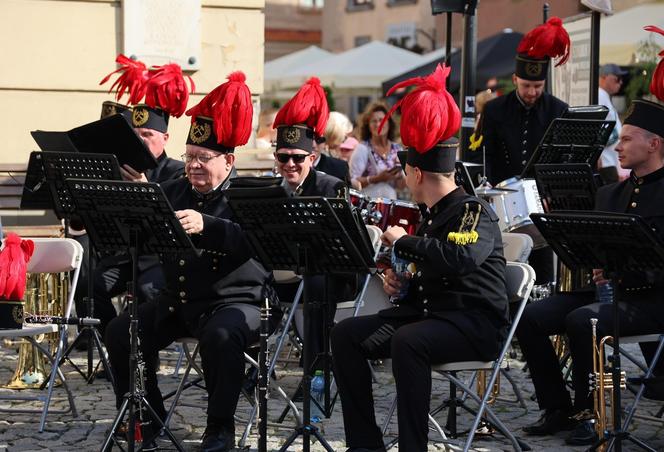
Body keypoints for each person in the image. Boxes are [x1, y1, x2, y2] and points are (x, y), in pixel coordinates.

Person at [331, 64, 509, 452]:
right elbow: (433, 274)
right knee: (345, 334)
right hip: (429, 319)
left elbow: (458, 259)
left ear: (413, 172)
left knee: (410, 342)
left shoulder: (471, 211)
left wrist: (405, 243)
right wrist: (403, 282)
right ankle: (365, 444)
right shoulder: (431, 217)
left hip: (472, 325)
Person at [105, 71, 279, 452]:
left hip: (238, 302)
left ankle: (220, 429)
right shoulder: (172, 189)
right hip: (181, 300)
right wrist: (137, 204)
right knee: (121, 331)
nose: (194, 166)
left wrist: (209, 225)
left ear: (229, 160)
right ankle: (145, 417)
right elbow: (143, 227)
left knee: (221, 335)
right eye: (190, 157)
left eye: (204, 158)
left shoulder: (252, 193)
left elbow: (259, 243)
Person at [516, 98, 664, 446]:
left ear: (654, 144)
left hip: (654, 300)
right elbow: (588, 250)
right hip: (611, 294)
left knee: (583, 320)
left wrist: (623, 273)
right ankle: (558, 408)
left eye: (627, 139)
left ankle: (591, 413)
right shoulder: (611, 194)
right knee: (530, 317)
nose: (618, 146)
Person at [91, 58, 190, 338]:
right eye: (136, 135)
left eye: (148, 134)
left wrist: (145, 190)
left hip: (161, 259)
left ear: (165, 138)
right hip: (128, 255)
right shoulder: (122, 166)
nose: (141, 140)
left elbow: (173, 220)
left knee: (149, 290)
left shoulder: (177, 172)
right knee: (94, 285)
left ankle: (146, 354)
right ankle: (114, 344)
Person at [271, 77, 357, 373]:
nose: (290, 164)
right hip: (288, 269)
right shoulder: (273, 189)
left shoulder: (330, 186)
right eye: (283, 157)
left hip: (331, 274)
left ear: (312, 156)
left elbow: (346, 245)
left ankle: (316, 370)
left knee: (316, 283)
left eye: (297, 158)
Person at [480, 17, 570, 285]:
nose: (532, 92)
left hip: (542, 203)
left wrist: (553, 193)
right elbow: (485, 153)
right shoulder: (495, 109)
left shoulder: (558, 110)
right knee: (504, 267)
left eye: (538, 87)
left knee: (542, 272)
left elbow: (563, 160)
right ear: (515, 79)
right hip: (504, 201)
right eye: (526, 86)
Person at [349, 102, 405, 199]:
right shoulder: (362, 149)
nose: (378, 124)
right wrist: (377, 179)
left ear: (389, 123)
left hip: (391, 203)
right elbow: (352, 182)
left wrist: (399, 175)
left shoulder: (397, 149)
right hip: (369, 206)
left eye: (382, 120)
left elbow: (401, 187)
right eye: (373, 121)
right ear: (368, 125)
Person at [598, 63, 630, 182]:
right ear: (604, 77)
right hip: (606, 161)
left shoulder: (603, 96)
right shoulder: (599, 94)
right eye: (617, 78)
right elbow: (600, 130)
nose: (620, 82)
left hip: (610, 160)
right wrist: (621, 137)